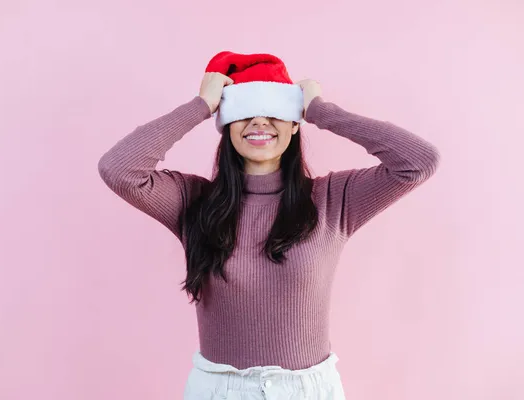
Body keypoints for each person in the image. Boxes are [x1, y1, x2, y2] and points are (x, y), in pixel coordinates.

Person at [98, 51, 440, 399]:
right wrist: (200, 105)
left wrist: (322, 111)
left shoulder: (333, 199)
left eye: (274, 112)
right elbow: (118, 169)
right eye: (245, 113)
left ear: (294, 122)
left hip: (308, 390)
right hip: (220, 389)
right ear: (226, 124)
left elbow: (418, 161)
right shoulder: (193, 201)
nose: (259, 123)